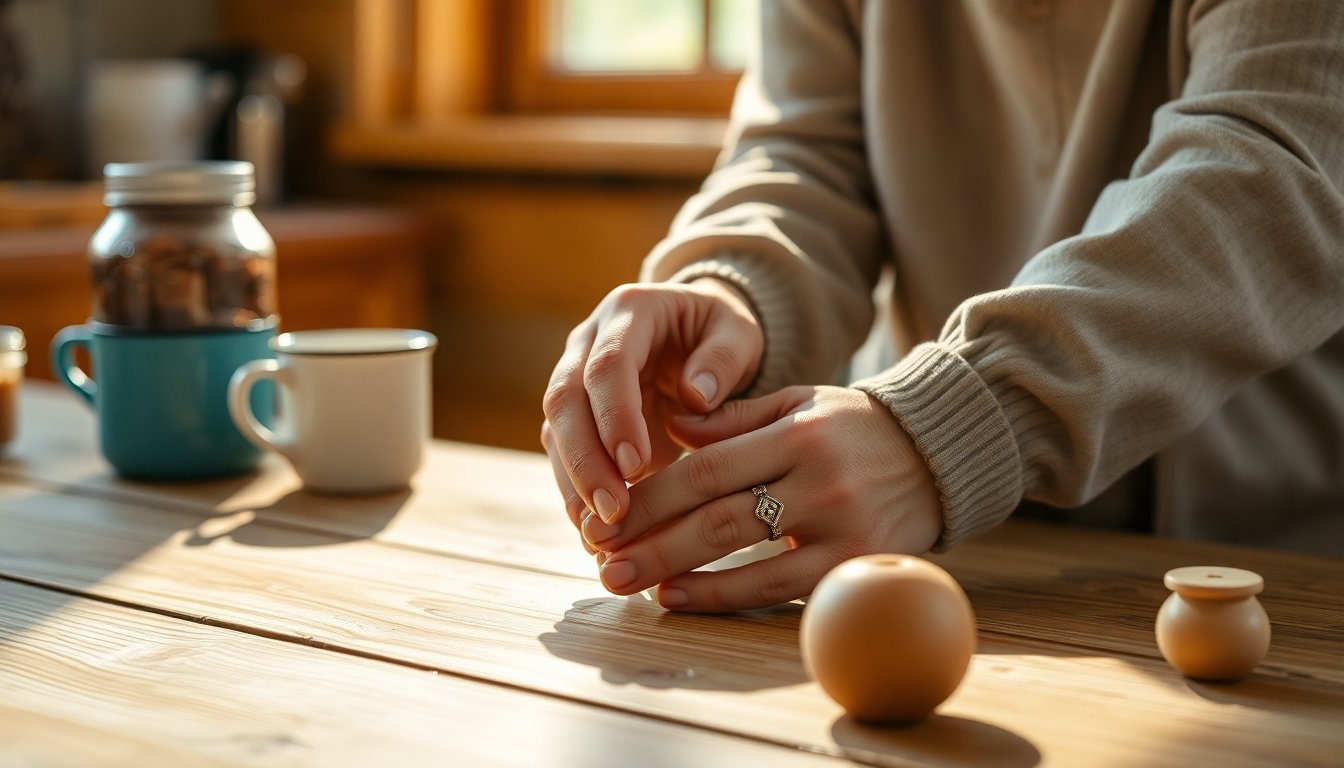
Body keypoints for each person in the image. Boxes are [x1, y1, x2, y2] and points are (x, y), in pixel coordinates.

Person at [541, 0, 1344, 613]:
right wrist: (731, 291)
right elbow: (807, 149)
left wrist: (952, 425)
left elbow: (1272, 159)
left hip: (1261, 562)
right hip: (935, 555)